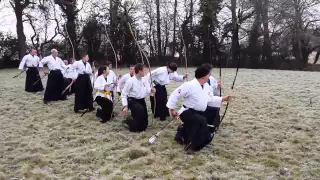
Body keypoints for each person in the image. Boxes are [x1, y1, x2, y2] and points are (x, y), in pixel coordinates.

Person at [166, 66, 232, 153]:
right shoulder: (189, 85)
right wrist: (172, 109)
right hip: (186, 112)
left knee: (201, 120)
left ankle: (181, 135)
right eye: (209, 74)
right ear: (204, 76)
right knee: (202, 121)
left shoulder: (206, 86)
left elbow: (210, 99)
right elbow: (175, 94)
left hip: (199, 112)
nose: (210, 76)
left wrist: (224, 98)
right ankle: (192, 146)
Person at [121, 63, 155, 132]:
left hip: (141, 100)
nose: (145, 72)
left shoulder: (144, 79)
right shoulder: (130, 81)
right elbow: (124, 94)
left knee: (144, 124)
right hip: (132, 100)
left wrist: (151, 90)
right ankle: (129, 122)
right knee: (140, 111)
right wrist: (125, 106)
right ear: (139, 71)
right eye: (144, 71)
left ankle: (137, 123)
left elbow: (148, 89)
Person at [201, 63, 222, 133]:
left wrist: (218, 86)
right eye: (210, 71)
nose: (210, 73)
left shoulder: (212, 79)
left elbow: (215, 89)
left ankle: (215, 124)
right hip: (204, 102)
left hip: (212, 99)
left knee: (216, 109)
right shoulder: (201, 79)